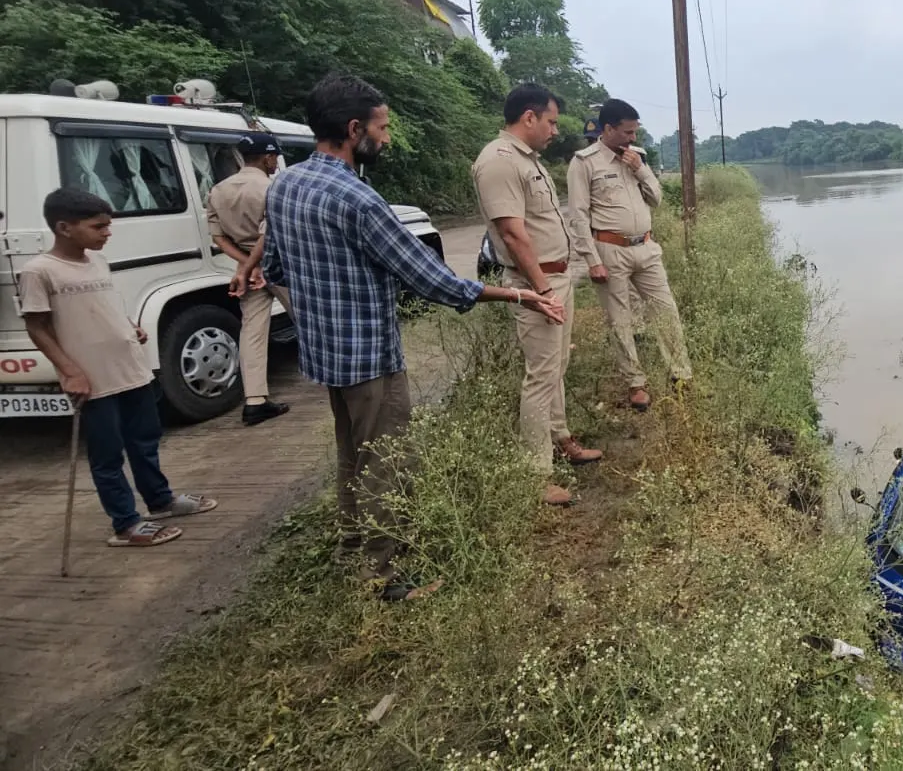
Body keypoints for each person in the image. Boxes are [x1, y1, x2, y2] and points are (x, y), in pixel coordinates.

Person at [258, 73, 563, 601]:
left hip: (325, 353)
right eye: (382, 128)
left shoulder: (284, 185)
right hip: (369, 356)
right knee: (387, 460)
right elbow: (431, 279)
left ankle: (351, 547)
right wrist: (518, 295)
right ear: (354, 130)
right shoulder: (358, 199)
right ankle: (385, 575)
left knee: (352, 452)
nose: (388, 138)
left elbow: (274, 267)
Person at [19, 188, 218, 548]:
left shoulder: (97, 261)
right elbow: (37, 328)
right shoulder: (40, 271)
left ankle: (160, 501)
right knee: (107, 455)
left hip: (130, 368)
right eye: (98, 227)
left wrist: (129, 326)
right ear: (64, 227)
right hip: (93, 379)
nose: (107, 233)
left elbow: (106, 303)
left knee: (145, 441)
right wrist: (70, 371)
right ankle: (126, 523)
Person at [472, 84, 604, 473]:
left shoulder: (527, 159)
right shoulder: (498, 161)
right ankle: (536, 471)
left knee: (556, 368)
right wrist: (542, 291)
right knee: (541, 377)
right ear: (529, 117)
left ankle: (561, 439)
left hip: (555, 279)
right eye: (551, 122)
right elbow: (513, 235)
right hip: (536, 284)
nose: (555, 131)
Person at [567, 98, 693, 411]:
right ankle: (636, 384)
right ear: (608, 129)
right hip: (610, 250)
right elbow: (578, 216)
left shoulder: (637, 157)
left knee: (666, 311)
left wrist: (640, 170)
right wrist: (592, 260)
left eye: (635, 132)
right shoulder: (585, 163)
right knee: (620, 320)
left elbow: (657, 199)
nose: (632, 137)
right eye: (627, 132)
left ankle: (681, 375)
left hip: (646, 248)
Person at [206, 131, 290, 426]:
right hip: (283, 266)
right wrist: (258, 265)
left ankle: (254, 401)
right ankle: (335, 382)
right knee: (311, 321)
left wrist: (246, 267)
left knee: (252, 331)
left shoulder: (218, 190)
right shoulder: (273, 187)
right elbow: (269, 233)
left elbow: (219, 238)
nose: (276, 163)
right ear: (267, 157)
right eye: (275, 157)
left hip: (249, 271)